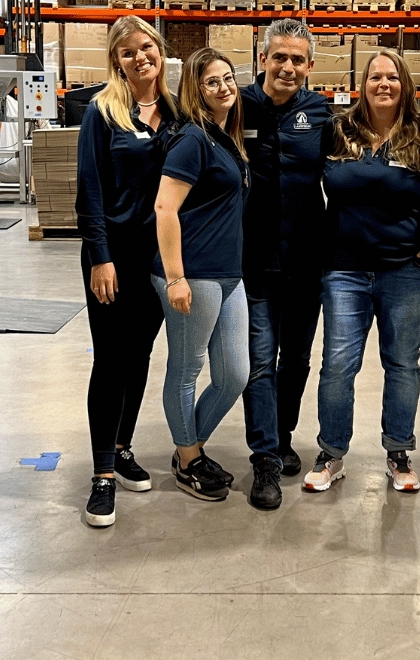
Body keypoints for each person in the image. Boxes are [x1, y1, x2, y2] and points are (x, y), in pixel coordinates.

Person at [303, 50, 420, 496]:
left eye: (392, 76)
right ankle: (332, 453)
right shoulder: (337, 131)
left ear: (406, 85)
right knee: (338, 364)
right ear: (363, 84)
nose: (384, 83)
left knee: (402, 363)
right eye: (375, 76)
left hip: (406, 271)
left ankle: (398, 453)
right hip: (344, 270)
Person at [76, 17, 182, 528]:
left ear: (160, 52)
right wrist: (99, 255)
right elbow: (89, 188)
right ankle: (101, 476)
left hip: (156, 261)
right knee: (112, 361)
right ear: (116, 61)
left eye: (147, 47)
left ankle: (121, 447)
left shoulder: (177, 114)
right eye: (127, 52)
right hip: (113, 257)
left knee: (139, 356)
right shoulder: (103, 112)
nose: (140, 57)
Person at [153, 47, 251, 502]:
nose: (224, 87)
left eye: (228, 78)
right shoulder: (192, 138)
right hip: (194, 274)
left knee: (234, 374)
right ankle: (189, 459)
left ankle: (189, 446)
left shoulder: (224, 136)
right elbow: (164, 207)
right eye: (212, 82)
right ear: (195, 89)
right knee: (187, 369)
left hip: (230, 275)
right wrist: (175, 278)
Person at [240, 18, 330, 510]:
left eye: (298, 59)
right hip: (252, 260)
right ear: (263, 60)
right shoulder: (238, 105)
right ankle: (264, 461)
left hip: (306, 261)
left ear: (310, 66)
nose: (288, 67)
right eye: (280, 57)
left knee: (295, 359)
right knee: (259, 362)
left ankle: (282, 434)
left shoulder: (319, 112)